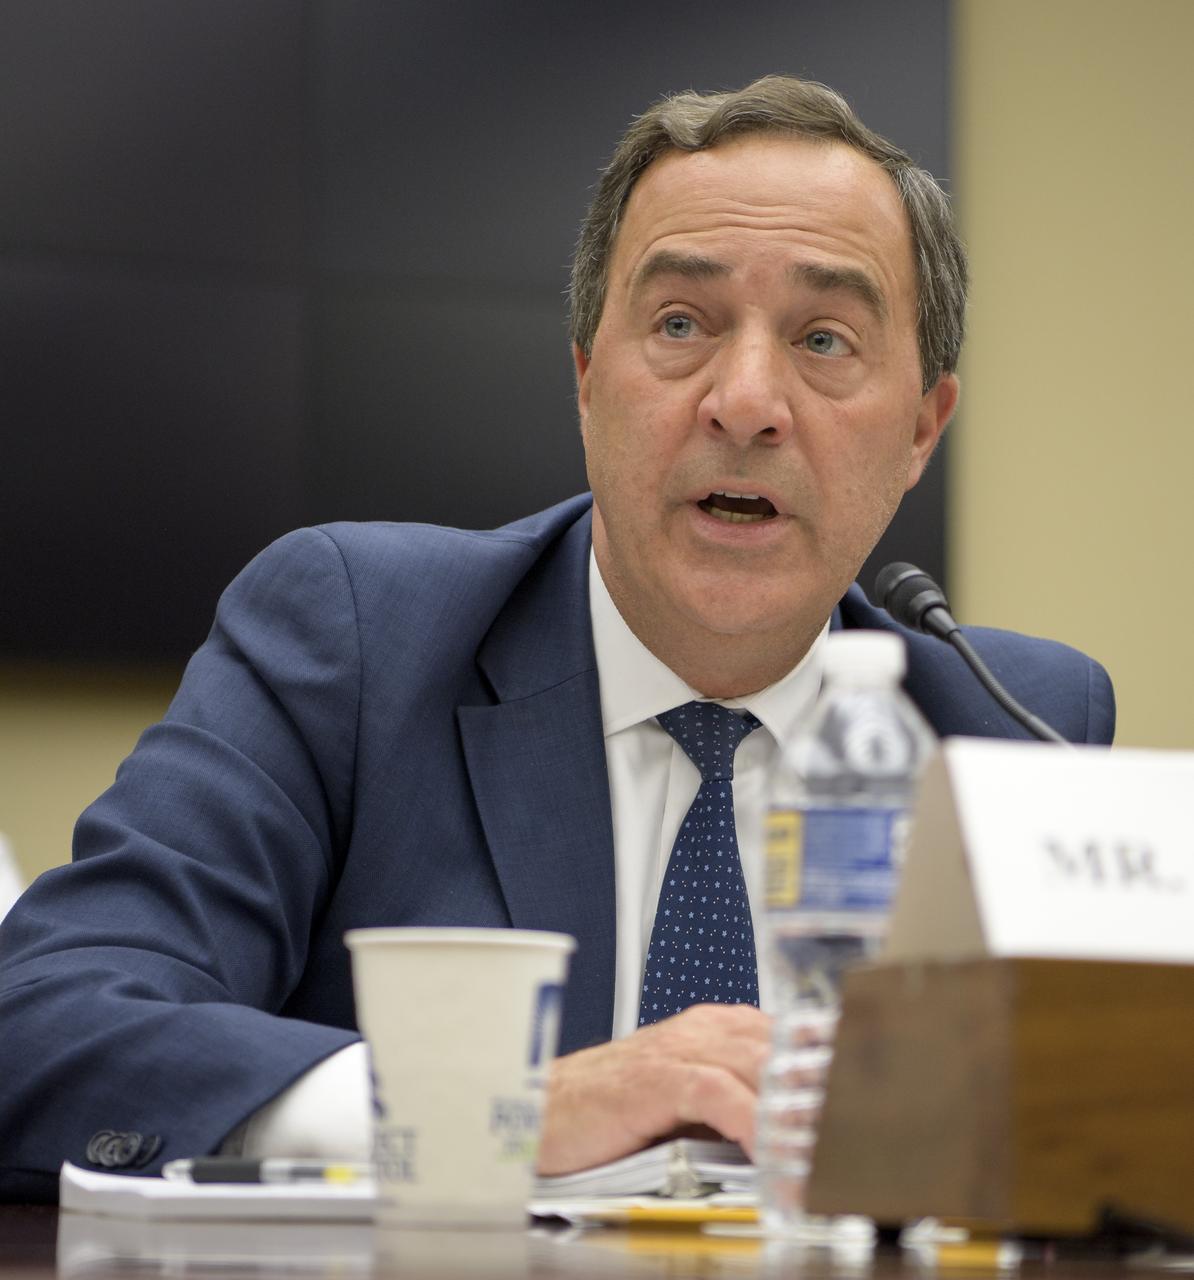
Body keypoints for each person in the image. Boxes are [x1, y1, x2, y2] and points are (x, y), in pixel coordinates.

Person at [0, 75, 1114, 1201]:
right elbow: (46, 1023)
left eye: (826, 338)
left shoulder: (1013, 727)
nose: (746, 399)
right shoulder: (352, 639)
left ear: (923, 426)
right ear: (587, 381)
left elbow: (1111, 1135)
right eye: (681, 323)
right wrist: (492, 1108)